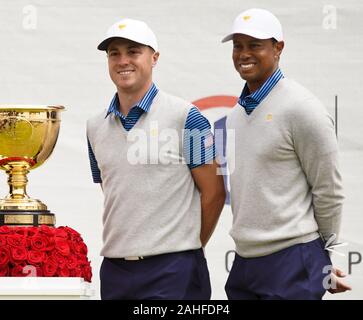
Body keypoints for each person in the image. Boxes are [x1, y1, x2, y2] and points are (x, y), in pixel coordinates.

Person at [86, 18, 225, 300]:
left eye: (133, 51)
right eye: (114, 53)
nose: (123, 60)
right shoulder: (94, 126)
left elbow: (214, 193)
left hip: (174, 270)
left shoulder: (186, 117)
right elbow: (115, 191)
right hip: (115, 271)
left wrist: (186, 248)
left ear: (154, 57)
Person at [222, 8, 352, 299]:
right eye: (238, 46)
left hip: (293, 260)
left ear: (278, 48)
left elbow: (329, 190)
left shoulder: (302, 108)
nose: (244, 54)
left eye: (254, 45)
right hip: (245, 263)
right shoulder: (236, 115)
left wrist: (326, 259)